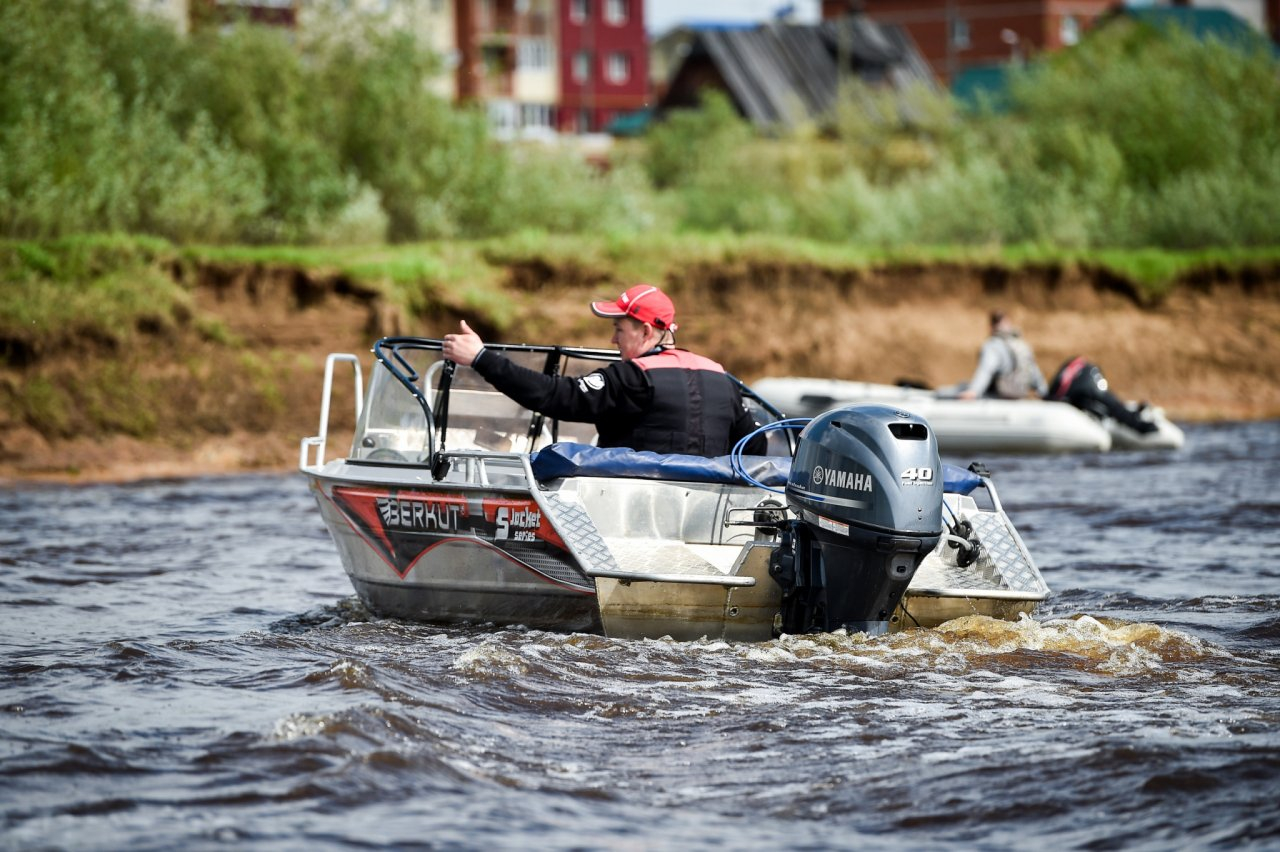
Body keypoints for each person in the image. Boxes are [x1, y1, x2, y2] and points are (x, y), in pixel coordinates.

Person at [441, 284, 764, 457]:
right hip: (708, 521)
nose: (613, 339)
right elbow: (755, 447)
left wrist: (481, 357)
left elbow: (553, 396)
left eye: (619, 329)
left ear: (646, 333)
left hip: (631, 517)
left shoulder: (631, 378)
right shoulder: (723, 379)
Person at [957, 310, 1048, 400]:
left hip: (999, 398)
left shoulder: (993, 345)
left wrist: (973, 391)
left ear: (991, 327)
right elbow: (1034, 372)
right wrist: (1043, 391)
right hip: (1020, 397)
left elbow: (986, 369)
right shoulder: (1023, 345)